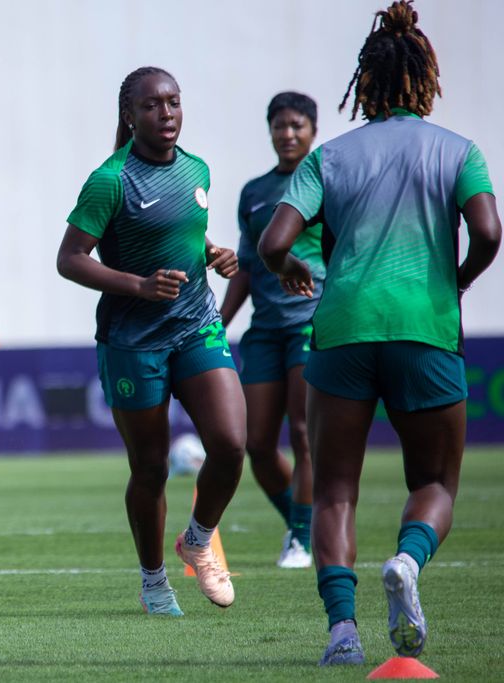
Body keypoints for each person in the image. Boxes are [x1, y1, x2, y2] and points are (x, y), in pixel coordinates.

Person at [259, 1, 500, 666]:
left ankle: (342, 630)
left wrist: (289, 271)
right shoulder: (459, 150)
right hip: (425, 327)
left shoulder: (328, 156)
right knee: (436, 483)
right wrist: (460, 278)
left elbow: (273, 239)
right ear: (426, 77)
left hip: (339, 330)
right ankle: (407, 558)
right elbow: (488, 231)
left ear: (365, 82)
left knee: (335, 489)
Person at [57, 66, 246, 616]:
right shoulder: (110, 180)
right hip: (133, 341)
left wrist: (214, 253)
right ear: (129, 115)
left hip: (195, 325)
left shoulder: (198, 169)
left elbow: (183, 231)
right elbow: (70, 259)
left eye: (173, 103)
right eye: (151, 106)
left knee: (232, 443)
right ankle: (154, 579)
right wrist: (139, 285)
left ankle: (198, 539)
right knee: (151, 469)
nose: (165, 114)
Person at [219, 92, 324, 569]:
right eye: (280, 126)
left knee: (303, 432)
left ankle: (302, 539)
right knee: (256, 444)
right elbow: (244, 266)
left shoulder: (328, 182)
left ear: (313, 130)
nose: (288, 134)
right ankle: (301, 526)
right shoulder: (255, 192)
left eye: (297, 125)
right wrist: (218, 322)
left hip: (312, 320)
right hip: (264, 329)